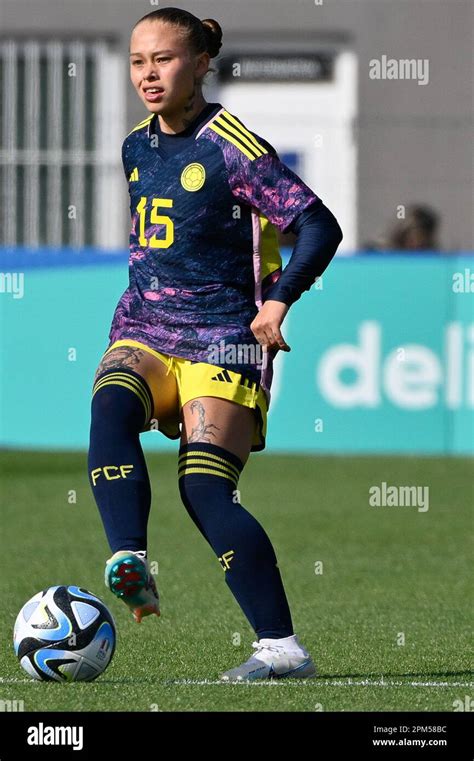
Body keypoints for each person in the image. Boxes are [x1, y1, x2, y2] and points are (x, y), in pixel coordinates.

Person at [88, 6, 343, 682]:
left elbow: (318, 226)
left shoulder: (232, 144)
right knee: (109, 405)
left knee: (204, 491)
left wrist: (279, 299)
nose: (149, 73)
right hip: (144, 325)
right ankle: (130, 557)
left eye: (164, 59)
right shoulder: (135, 146)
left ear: (200, 63)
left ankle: (281, 647)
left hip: (225, 338)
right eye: (139, 60)